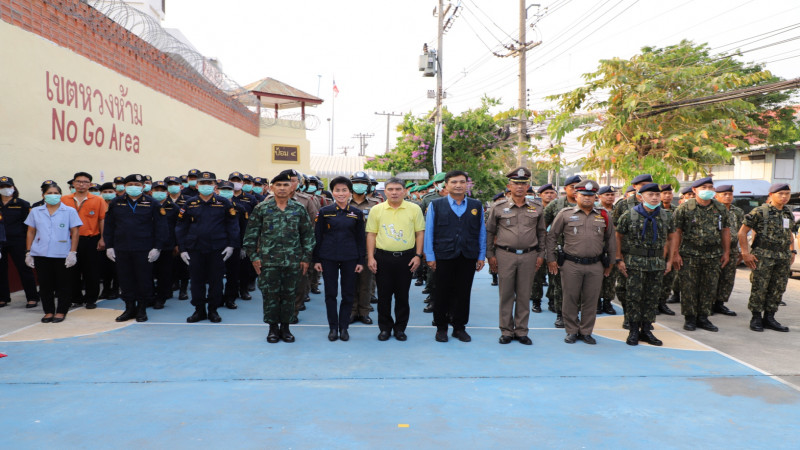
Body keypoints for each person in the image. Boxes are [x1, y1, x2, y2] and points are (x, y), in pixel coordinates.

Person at [243, 171, 315, 343]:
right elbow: (250, 236)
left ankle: (286, 328)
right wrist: (254, 257)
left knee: (290, 295)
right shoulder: (262, 208)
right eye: (278, 185)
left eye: (285, 185)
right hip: (268, 262)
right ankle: (273, 329)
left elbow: (308, 236)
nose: (282, 188)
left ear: (291, 187)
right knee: (270, 295)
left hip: (293, 262)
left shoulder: (298, 209)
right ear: (272, 188)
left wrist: (305, 258)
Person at [547, 179, 615, 345]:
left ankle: (586, 331)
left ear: (595, 197)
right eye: (584, 195)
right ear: (576, 195)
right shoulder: (565, 214)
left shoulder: (603, 215)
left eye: (591, 196)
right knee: (570, 298)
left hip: (595, 265)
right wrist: (550, 259)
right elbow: (551, 237)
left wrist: (610, 264)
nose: (587, 198)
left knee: (591, 300)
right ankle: (571, 330)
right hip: (571, 264)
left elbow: (611, 240)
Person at [424, 170, 486, 343]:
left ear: (467, 184)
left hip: (467, 255)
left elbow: (481, 232)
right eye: (454, 182)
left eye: (462, 182)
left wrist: (481, 255)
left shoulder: (476, 205)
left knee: (463, 293)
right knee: (441, 292)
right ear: (446, 184)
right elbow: (429, 232)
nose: (458, 185)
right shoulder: (436, 205)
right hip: (443, 255)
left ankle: (459, 328)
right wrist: (430, 256)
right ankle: (441, 328)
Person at [486, 167, 545, 345]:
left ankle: (521, 331)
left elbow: (542, 233)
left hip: (529, 255)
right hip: (505, 255)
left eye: (523, 184)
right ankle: (506, 331)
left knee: (524, 294)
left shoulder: (537, 208)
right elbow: (489, 232)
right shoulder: (498, 207)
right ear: (509, 186)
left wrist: (541, 254)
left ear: (528, 186)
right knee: (506, 294)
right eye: (516, 184)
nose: (520, 187)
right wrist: (490, 255)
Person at [615, 183, 676, 346]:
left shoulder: (666, 216)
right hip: (635, 262)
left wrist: (670, 260)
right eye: (651, 194)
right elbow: (618, 237)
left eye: (657, 195)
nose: (655, 197)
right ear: (641, 197)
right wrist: (619, 259)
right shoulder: (630, 215)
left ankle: (646, 330)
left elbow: (671, 238)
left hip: (656, 263)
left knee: (652, 297)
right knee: (634, 297)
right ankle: (634, 330)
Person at [175, 172, 239, 324]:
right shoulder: (189, 203)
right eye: (202, 183)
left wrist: (231, 245)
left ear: (215, 186)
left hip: (217, 248)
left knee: (216, 280)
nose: (206, 186)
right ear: (197, 186)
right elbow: (180, 226)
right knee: (196, 280)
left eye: (209, 184)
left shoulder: (224, 203)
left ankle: (213, 310)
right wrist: (182, 249)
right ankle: (199, 310)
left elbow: (233, 225)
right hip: (195, 248)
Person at [366, 177, 425, 342]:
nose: (394, 192)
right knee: (383, 296)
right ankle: (384, 328)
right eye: (390, 189)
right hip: (383, 258)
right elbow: (371, 234)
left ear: (405, 191)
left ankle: (400, 329)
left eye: (398, 189)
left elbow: (420, 233)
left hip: (406, 258)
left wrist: (418, 255)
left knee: (402, 296)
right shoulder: (376, 210)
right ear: (384, 191)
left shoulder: (414, 209)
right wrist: (371, 257)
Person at [104, 174, 169, 323]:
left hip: (144, 248)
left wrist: (157, 248)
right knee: (125, 279)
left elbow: (161, 227)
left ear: (143, 186)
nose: (134, 187)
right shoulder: (116, 202)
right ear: (125, 186)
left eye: (137, 184)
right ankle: (129, 308)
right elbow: (109, 226)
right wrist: (109, 246)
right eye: (131, 184)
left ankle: (142, 309)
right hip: (122, 247)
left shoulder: (152, 203)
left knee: (143, 279)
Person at [672, 177, 730, 332]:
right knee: (689, 287)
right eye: (704, 187)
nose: (708, 190)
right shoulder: (685, 208)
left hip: (713, 255)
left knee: (709, 287)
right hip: (690, 254)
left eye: (711, 187)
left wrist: (726, 252)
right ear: (694, 190)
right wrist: (675, 253)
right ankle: (690, 318)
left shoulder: (720, 208)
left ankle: (703, 317)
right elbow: (677, 231)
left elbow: (725, 230)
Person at [312, 176, 366, 342]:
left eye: (344, 190)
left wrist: (360, 261)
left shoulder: (356, 213)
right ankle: (333, 328)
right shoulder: (324, 211)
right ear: (332, 192)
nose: (341, 193)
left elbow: (360, 239)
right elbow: (318, 236)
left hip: (350, 257)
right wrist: (317, 259)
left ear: (350, 192)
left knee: (348, 293)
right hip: (328, 257)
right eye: (337, 190)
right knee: (331, 294)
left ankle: (344, 327)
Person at [739, 183, 795, 332]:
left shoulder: (787, 213)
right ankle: (756, 317)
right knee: (760, 287)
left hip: (782, 256)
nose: (784, 197)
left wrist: (792, 251)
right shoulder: (760, 211)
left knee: (778, 287)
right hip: (764, 255)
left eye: (787, 194)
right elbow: (742, 232)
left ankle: (770, 317)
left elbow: (788, 232)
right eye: (781, 193)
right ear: (771, 195)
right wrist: (746, 253)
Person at [24, 183, 81, 323]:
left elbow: (75, 232)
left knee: (64, 284)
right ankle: (48, 311)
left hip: (62, 253)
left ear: (60, 195)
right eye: (49, 193)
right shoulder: (36, 211)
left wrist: (73, 252)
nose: (53, 195)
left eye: (56, 193)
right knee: (44, 285)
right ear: (43, 195)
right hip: (41, 253)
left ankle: (61, 311)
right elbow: (31, 231)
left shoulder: (69, 211)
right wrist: (28, 252)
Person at [612, 174, 653, 329]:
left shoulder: (656, 204)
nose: (645, 187)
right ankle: (629, 315)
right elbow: (616, 231)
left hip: (649, 254)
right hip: (628, 254)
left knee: (648, 289)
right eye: (641, 184)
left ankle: (643, 319)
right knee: (624, 288)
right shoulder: (623, 205)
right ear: (635, 186)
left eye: (648, 184)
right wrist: (618, 256)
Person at [61, 171, 106, 309]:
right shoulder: (64, 199)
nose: (81, 184)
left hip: (91, 239)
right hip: (69, 240)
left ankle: (91, 298)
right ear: (73, 184)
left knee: (91, 271)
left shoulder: (98, 200)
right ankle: (76, 298)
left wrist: (103, 239)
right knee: (71, 270)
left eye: (85, 182)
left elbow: (102, 219)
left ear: (90, 184)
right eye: (78, 181)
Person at [543, 174, 582, 326]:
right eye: (572, 187)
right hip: (560, 252)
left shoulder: (588, 205)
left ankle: (575, 315)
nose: (575, 190)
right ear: (565, 189)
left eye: (578, 188)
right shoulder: (556, 205)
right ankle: (561, 314)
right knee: (559, 286)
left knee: (578, 287)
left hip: (580, 252)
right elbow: (542, 227)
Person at [0, 176, 40, 309]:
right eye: (2, 187)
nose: (5, 189)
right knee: (1, 270)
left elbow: (29, 225)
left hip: (18, 241)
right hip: (1, 242)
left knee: (24, 269)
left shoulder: (22, 204)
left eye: (8, 186)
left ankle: (32, 297)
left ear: (13, 187)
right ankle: (3, 297)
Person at [349, 171, 380, 325]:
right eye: (356, 182)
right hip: (348, 248)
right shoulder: (344, 203)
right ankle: (352, 311)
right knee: (350, 281)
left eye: (362, 183)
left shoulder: (375, 204)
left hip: (369, 248)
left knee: (366, 282)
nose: (359, 186)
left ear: (367, 186)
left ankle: (364, 312)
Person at [712, 184, 744, 317]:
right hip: (714, 249)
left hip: (732, 250)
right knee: (712, 278)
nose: (728, 196)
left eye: (730, 194)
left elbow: (742, 231)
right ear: (716, 196)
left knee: (727, 278)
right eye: (724, 194)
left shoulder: (737, 211)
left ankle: (720, 304)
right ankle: (707, 303)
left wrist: (742, 250)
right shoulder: (712, 209)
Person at [149, 181, 180, 309]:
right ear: (151, 192)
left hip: (167, 245)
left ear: (167, 192)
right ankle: (150, 296)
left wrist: (177, 244)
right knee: (148, 273)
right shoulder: (146, 205)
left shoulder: (173, 207)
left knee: (164, 273)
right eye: (156, 190)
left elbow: (178, 227)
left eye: (162, 190)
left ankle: (161, 298)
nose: (159, 192)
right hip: (148, 244)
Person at [529, 183, 557, 312]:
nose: (549, 195)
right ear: (540, 195)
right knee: (537, 275)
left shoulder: (559, 208)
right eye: (546, 193)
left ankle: (552, 301)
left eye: (552, 193)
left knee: (554, 276)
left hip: (555, 246)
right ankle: (536, 301)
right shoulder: (535, 208)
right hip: (538, 246)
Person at [666, 186, 695, 305]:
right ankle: (675, 293)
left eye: (693, 195)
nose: (691, 197)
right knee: (674, 274)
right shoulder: (680, 210)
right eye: (689, 195)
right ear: (682, 198)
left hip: (689, 247)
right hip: (673, 246)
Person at [596, 185, 618, 316]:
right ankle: (597, 301)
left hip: (612, 247)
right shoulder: (595, 210)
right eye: (607, 195)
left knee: (610, 276)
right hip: (598, 248)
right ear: (599, 196)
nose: (610, 197)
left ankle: (607, 302)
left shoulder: (619, 210)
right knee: (597, 276)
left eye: (612, 195)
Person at [656, 184, 677, 316]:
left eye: (669, 193)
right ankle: (653, 304)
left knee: (668, 279)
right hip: (657, 251)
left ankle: (662, 303)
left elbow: (675, 234)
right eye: (664, 193)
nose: (667, 196)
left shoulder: (676, 210)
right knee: (656, 280)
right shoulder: (655, 210)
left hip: (671, 250)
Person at [98, 182, 119, 300]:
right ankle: (106, 289)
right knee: (104, 267)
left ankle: (115, 289)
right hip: (102, 239)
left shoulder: (119, 203)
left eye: (110, 192)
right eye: (105, 192)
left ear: (115, 192)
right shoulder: (99, 204)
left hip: (117, 239)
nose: (107, 194)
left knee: (115, 266)